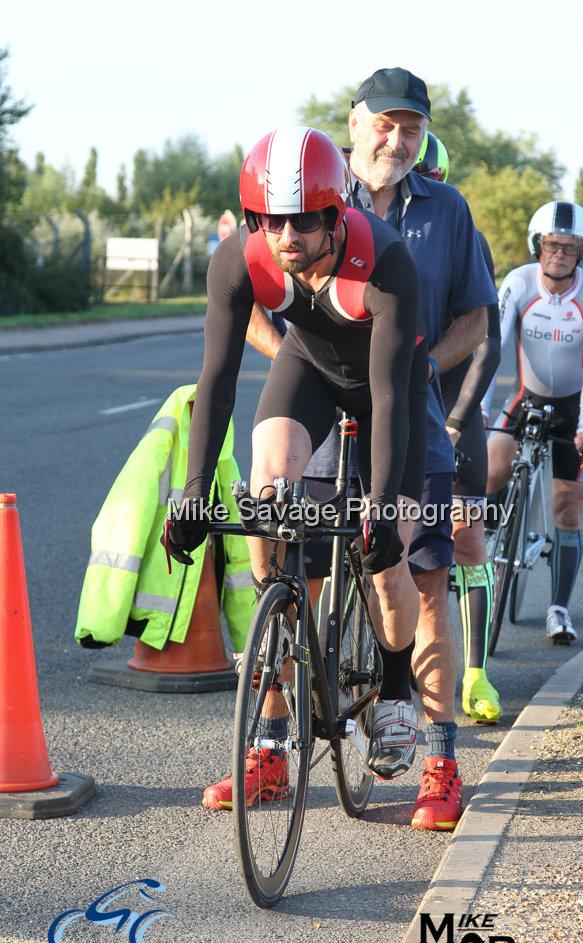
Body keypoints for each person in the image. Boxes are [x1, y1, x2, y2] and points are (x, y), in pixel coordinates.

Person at [166, 125, 430, 807]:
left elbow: (389, 397)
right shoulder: (238, 259)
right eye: (270, 220)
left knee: (388, 554)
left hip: (387, 392)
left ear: (336, 212)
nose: (287, 235)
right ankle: (275, 630)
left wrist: (376, 514)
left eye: (304, 221)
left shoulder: (386, 262)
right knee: (265, 482)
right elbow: (217, 381)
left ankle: (396, 689)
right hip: (309, 368)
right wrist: (195, 493)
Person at [298, 70, 498, 831]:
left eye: (411, 127)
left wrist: (415, 366)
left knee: (425, 578)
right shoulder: (310, 196)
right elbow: (255, 297)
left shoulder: (446, 209)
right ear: (353, 124)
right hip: (318, 419)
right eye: (384, 124)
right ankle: (273, 742)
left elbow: (474, 322)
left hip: (410, 417)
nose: (397, 139)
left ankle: (441, 764)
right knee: (292, 570)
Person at [483, 201, 583, 644]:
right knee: (488, 469)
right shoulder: (519, 282)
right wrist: (479, 406)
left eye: (569, 246)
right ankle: (485, 542)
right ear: (537, 246)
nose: (559, 253)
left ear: (582, 252)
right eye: (551, 244)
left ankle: (558, 609)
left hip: (574, 411)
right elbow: (494, 347)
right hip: (525, 398)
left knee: (567, 511)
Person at [413, 132, 503, 726]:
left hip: (450, 397)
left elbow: (487, 344)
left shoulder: (464, 232)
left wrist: (452, 420)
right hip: (392, 392)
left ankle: (475, 672)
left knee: (465, 536)